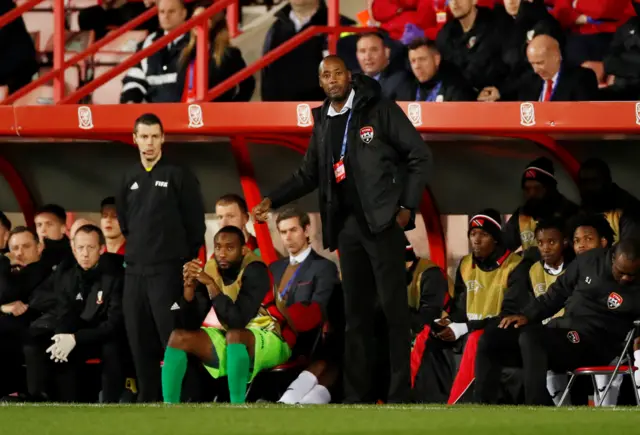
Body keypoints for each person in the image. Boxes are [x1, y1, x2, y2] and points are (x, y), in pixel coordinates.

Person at [252, 55, 431, 403]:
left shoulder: (379, 108)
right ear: (320, 83)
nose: (333, 80)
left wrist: (407, 207)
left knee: (395, 313)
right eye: (326, 76)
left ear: (349, 77)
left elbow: (419, 155)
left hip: (382, 225)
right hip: (346, 228)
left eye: (338, 73)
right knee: (356, 317)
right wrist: (271, 200)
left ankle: (400, 395)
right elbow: (308, 174)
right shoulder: (322, 120)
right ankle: (356, 397)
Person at [476, 239, 640, 405]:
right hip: (562, 332)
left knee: (532, 338)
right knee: (492, 337)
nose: (626, 278)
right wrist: (527, 315)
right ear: (612, 258)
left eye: (632, 274)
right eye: (621, 272)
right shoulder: (589, 261)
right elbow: (557, 293)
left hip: (596, 344)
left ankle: (536, 408)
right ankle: (483, 406)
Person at [116, 113, 205, 402]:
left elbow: (195, 226)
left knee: (175, 338)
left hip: (168, 273)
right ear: (135, 139)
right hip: (134, 274)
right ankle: (147, 400)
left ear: (163, 138)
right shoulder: (128, 177)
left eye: (155, 136)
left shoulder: (179, 174)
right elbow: (125, 222)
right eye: (144, 136)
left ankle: (188, 398)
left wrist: (180, 264)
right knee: (138, 340)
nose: (149, 142)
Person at [161, 227, 291, 404]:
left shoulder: (256, 270)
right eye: (218, 247)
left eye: (229, 248)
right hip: (233, 338)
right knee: (179, 337)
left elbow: (238, 320)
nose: (222, 254)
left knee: (234, 335)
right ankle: (168, 409)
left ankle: (236, 406)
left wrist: (212, 286)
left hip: (272, 336)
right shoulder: (212, 268)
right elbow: (189, 324)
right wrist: (189, 289)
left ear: (243, 250)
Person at [436, 209, 530, 404]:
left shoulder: (515, 266)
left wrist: (464, 327)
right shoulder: (465, 263)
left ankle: (458, 404)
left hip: (501, 333)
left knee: (477, 339)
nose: (476, 240)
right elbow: (462, 308)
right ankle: (424, 400)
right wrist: (450, 321)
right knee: (428, 335)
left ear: (496, 238)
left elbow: (509, 315)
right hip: (471, 328)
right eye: (472, 234)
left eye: (484, 234)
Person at [23, 225, 125, 402]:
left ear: (101, 249)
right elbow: (65, 311)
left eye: (90, 247)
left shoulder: (115, 277)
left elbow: (113, 325)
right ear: (73, 249)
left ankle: (109, 402)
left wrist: (76, 338)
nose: (85, 254)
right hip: (78, 333)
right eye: (80, 248)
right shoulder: (68, 275)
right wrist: (62, 336)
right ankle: (41, 399)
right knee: (38, 342)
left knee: (112, 348)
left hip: (104, 336)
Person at [271, 207, 340, 405]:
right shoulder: (274, 268)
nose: (288, 237)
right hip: (271, 332)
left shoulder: (324, 267)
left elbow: (320, 308)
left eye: (293, 230)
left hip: (303, 337)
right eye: (283, 232)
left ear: (307, 230)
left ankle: (294, 398)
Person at [478, 0, 563, 102]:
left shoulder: (543, 24)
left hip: (533, 95)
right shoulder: (501, 24)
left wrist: (501, 90)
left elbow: (535, 71)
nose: (511, 2)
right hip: (507, 91)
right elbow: (495, 62)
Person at [405, 241, 456, 403]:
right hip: (413, 333)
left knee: (422, 338)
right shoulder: (390, 275)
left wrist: (394, 306)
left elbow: (426, 321)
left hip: (443, 332)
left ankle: (409, 397)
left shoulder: (429, 274)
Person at [503, 157, 579, 260]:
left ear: (550, 188)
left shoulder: (570, 213)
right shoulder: (522, 214)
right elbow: (502, 246)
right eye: (527, 189)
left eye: (537, 189)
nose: (532, 194)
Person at [179, 1, 255, 102]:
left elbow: (248, 84)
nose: (196, 23)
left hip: (214, 114)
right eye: (194, 19)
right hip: (186, 113)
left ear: (214, 21)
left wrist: (230, 109)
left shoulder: (228, 54)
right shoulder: (186, 53)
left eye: (202, 19)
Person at [120, 0, 189, 103]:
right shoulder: (148, 43)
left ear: (183, 13)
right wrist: (131, 100)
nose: (166, 16)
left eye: (171, 11)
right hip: (152, 115)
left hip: (187, 111)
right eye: (162, 12)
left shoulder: (195, 40)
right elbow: (135, 78)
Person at [436, 0, 507, 92]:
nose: (454, 3)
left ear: (474, 1)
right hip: (461, 97)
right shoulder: (446, 33)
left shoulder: (494, 25)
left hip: (496, 97)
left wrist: (501, 91)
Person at [516, 34, 599, 101]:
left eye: (540, 63)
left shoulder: (581, 78)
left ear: (556, 57)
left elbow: (584, 115)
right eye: (532, 64)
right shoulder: (528, 82)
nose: (536, 70)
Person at [577, 158, 640, 243]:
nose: (588, 187)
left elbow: (629, 248)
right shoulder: (586, 205)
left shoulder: (628, 208)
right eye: (584, 182)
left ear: (607, 181)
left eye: (594, 182)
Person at [396, 37, 476, 102]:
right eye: (413, 61)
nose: (417, 66)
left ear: (436, 59)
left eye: (422, 59)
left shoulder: (456, 88)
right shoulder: (408, 90)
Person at [355, 32, 407, 99]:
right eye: (362, 51)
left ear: (386, 52)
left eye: (374, 50)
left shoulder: (399, 81)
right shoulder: (351, 80)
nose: (367, 57)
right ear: (357, 55)